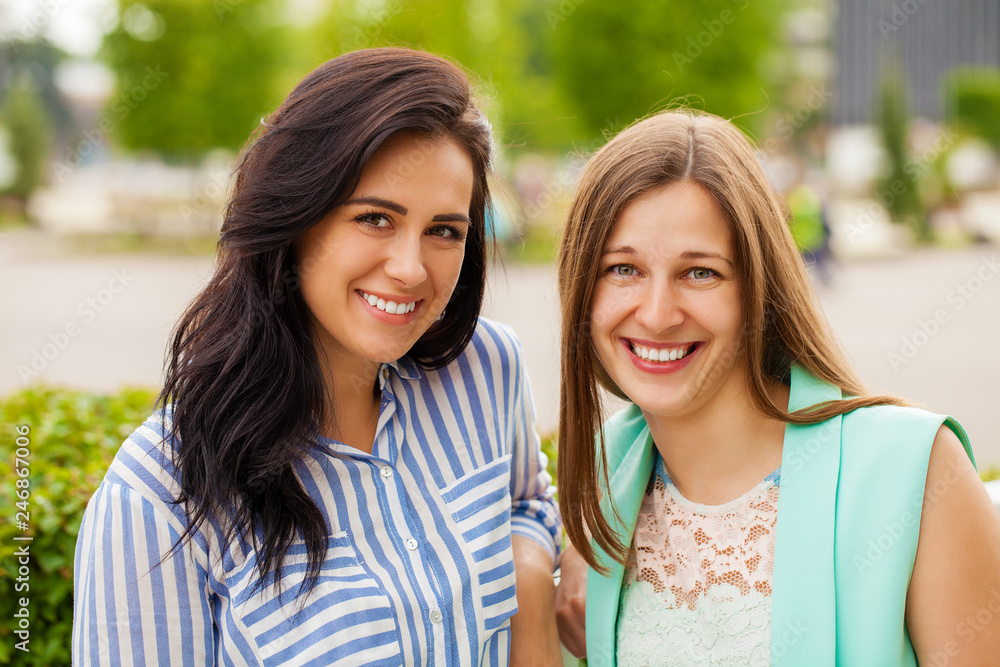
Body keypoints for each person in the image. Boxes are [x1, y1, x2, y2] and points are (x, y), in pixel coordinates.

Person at [73, 48, 563, 666]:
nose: (410, 269)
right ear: (296, 216)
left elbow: (526, 504)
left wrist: (528, 573)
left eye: (444, 230)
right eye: (375, 219)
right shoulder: (159, 498)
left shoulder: (487, 370)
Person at [553, 110, 1000, 665]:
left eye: (701, 273)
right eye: (622, 269)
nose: (658, 313)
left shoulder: (915, 470)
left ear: (757, 290)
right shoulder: (601, 485)